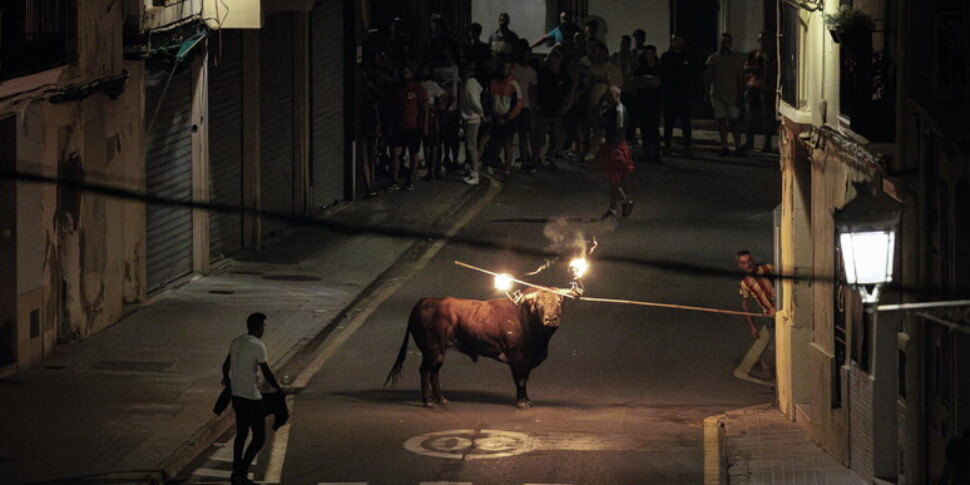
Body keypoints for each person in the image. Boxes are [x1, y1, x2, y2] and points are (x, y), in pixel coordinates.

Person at [222, 313, 283, 485]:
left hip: (236, 395)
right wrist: (279, 389)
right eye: (264, 325)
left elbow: (225, 365)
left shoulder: (237, 341)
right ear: (258, 327)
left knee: (241, 433)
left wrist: (227, 379)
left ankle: (236, 472)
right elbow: (267, 372)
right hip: (251, 396)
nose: (264, 328)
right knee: (259, 437)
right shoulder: (258, 345)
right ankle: (241, 472)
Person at [388, 63, 429, 191]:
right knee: (395, 153)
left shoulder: (417, 87)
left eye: (407, 72)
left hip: (413, 125)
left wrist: (425, 125)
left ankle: (410, 179)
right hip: (398, 125)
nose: (404, 75)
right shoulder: (397, 89)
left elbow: (424, 107)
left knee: (413, 154)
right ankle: (394, 180)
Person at [705, 33, 746, 156]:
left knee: (735, 121)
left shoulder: (736, 59)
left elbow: (740, 77)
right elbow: (708, 77)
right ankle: (725, 145)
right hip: (718, 94)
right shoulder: (713, 59)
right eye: (723, 42)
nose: (725, 45)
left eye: (727, 42)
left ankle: (737, 146)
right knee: (721, 120)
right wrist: (706, 92)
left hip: (733, 94)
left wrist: (741, 92)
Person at [596, 85, 634, 218]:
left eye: (610, 96)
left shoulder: (618, 111)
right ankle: (613, 207)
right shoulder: (615, 109)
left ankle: (625, 201)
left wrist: (612, 148)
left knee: (615, 179)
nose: (608, 98)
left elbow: (618, 129)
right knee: (618, 178)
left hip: (616, 147)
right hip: (616, 146)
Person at [583, 40, 624, 161]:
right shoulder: (591, 69)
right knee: (595, 128)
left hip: (609, 104)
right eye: (596, 53)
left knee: (610, 129)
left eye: (601, 52)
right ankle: (594, 149)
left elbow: (616, 85)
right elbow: (586, 83)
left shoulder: (613, 68)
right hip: (593, 102)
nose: (599, 55)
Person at [534, 49, 575, 169]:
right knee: (540, 135)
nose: (555, 63)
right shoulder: (543, 72)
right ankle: (536, 157)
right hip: (544, 107)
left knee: (555, 136)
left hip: (556, 109)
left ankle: (551, 157)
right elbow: (536, 87)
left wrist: (566, 104)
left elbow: (570, 88)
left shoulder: (563, 74)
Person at [485, 60, 523, 176]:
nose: (504, 70)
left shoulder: (513, 84)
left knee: (507, 143)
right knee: (495, 142)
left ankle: (507, 167)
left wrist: (508, 117)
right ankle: (491, 163)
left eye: (507, 68)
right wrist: (492, 114)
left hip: (508, 119)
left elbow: (518, 103)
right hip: (496, 117)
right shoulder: (494, 82)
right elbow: (490, 100)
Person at [742, 31, 778, 153]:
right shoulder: (754, 54)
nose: (762, 43)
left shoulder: (773, 56)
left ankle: (766, 143)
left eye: (764, 40)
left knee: (766, 117)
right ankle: (749, 141)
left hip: (766, 90)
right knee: (750, 116)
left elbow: (772, 71)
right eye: (760, 40)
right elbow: (746, 68)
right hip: (753, 88)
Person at [660, 34, 695, 155]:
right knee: (669, 120)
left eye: (678, 39)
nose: (676, 42)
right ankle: (667, 144)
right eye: (674, 40)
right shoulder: (666, 57)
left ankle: (687, 145)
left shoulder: (687, 57)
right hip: (670, 93)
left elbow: (692, 74)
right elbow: (662, 74)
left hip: (684, 93)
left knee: (685, 121)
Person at [630, 44, 663, 161]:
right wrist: (648, 82)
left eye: (651, 53)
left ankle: (656, 151)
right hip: (642, 101)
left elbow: (657, 83)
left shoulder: (659, 68)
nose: (649, 56)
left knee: (653, 126)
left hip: (654, 101)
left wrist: (644, 81)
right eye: (647, 54)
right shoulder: (640, 68)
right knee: (644, 127)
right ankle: (647, 150)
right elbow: (635, 82)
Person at [510, 39, 538, 172]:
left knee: (529, 133)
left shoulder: (531, 72)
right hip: (519, 104)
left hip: (525, 105)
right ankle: (525, 159)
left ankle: (532, 158)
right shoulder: (515, 69)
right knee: (523, 134)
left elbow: (533, 91)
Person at [737, 250, 775, 339]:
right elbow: (745, 304)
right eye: (744, 263)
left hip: (782, 309)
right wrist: (752, 327)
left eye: (749, 260)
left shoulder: (767, 268)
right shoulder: (744, 283)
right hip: (769, 314)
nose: (748, 264)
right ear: (740, 265)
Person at [459, 63, 485, 185]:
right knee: (471, 145)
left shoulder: (469, 83)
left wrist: (481, 113)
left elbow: (475, 101)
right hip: (470, 117)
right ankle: (472, 171)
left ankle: (475, 173)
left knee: (471, 146)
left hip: (472, 117)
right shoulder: (471, 82)